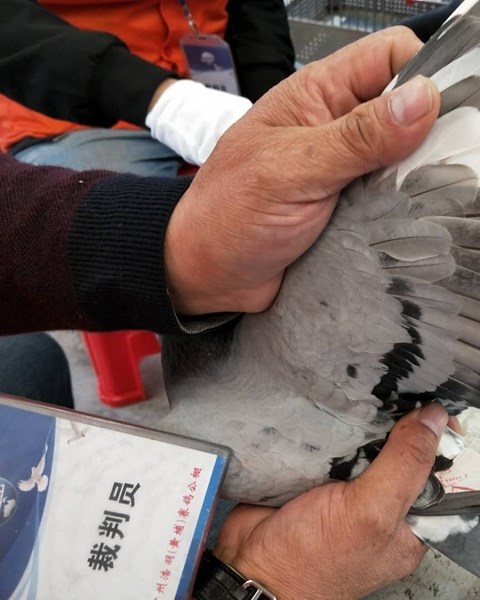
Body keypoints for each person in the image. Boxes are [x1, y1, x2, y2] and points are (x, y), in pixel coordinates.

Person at [1, 27, 449, 598]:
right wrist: (256, 585)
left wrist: (174, 244)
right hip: (81, 115)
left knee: (28, 359)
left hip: (198, 99)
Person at [0, 0, 295, 174]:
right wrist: (164, 101)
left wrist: (269, 89)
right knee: (116, 231)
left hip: (228, 96)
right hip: (75, 118)